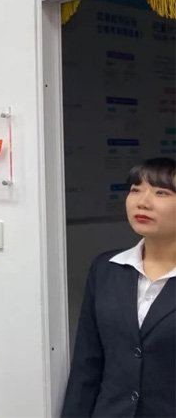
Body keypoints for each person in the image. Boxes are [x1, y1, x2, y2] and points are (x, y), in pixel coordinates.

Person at [62, 158, 176, 418]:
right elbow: (87, 364)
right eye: (136, 190)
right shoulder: (106, 268)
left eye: (161, 192)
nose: (142, 202)